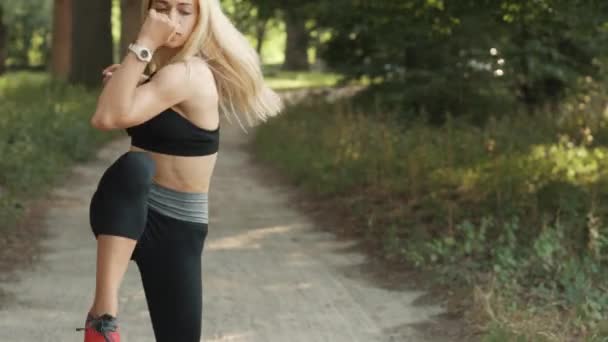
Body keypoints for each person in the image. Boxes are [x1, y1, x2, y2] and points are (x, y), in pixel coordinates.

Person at [76, 0, 282, 341]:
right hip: (128, 211)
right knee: (136, 165)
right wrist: (136, 74)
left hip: (178, 226)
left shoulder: (188, 73)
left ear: (202, 19)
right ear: (148, 11)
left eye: (184, 11)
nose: (171, 20)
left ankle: (102, 317)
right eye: (162, 8)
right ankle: (103, 316)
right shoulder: (164, 74)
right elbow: (105, 116)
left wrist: (142, 47)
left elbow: (110, 115)